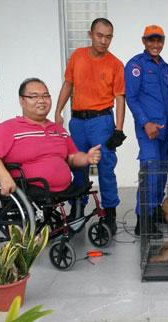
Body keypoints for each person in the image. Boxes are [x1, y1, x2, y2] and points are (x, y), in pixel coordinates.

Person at [54, 18, 125, 235]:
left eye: (108, 36)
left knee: (105, 168)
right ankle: (78, 209)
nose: (104, 41)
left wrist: (118, 129)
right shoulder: (77, 56)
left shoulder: (115, 64)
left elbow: (120, 98)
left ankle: (110, 214)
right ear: (90, 34)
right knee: (77, 166)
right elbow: (68, 84)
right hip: (78, 122)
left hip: (101, 121)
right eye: (100, 35)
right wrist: (57, 111)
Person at [0, 78, 101, 200]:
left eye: (46, 96)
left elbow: (72, 157)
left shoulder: (58, 130)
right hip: (31, 189)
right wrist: (4, 177)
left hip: (65, 188)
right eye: (34, 96)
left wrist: (87, 158)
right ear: (22, 100)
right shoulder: (8, 128)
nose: (41, 101)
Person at [125, 25, 168, 239]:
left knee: (161, 173)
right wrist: (145, 122)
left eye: (159, 40)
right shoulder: (135, 65)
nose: (155, 44)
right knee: (149, 173)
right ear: (144, 41)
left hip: (165, 130)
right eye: (151, 40)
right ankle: (143, 221)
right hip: (149, 131)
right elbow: (132, 97)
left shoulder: (165, 67)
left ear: (163, 42)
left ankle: (155, 209)